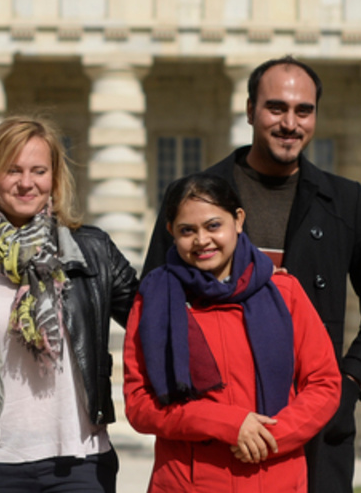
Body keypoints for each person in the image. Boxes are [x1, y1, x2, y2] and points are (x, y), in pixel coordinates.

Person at [140, 56, 361, 493]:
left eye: (304, 110)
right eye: (276, 108)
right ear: (248, 111)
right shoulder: (196, 195)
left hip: (316, 421)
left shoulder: (345, 200)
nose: (290, 123)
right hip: (217, 426)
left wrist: (349, 381)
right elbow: (152, 302)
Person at [0, 115, 139, 493]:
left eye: (39, 170)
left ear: (54, 178)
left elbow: (153, 320)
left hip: (80, 463)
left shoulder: (93, 251)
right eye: (13, 170)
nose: (27, 183)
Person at [125, 174, 343, 493]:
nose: (202, 240)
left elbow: (324, 384)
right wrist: (226, 424)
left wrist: (270, 436)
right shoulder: (155, 299)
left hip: (276, 478)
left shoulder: (285, 293)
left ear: (238, 220)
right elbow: (139, 403)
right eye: (188, 230)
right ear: (170, 231)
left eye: (214, 225)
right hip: (187, 483)